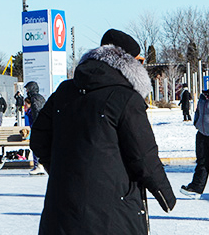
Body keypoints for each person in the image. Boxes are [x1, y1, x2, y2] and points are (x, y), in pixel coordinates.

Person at [30, 29, 176, 234]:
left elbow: (38, 138)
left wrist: (63, 171)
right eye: (139, 61)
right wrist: (165, 195)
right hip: (112, 212)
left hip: (62, 210)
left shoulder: (64, 92)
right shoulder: (125, 99)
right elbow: (143, 155)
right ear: (129, 63)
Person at [181, 88, 209, 198]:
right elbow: (198, 111)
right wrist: (196, 122)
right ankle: (196, 188)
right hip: (202, 134)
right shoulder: (202, 98)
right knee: (202, 162)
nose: (206, 95)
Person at [24, 81, 47, 175]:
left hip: (38, 124)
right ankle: (39, 165)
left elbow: (37, 111)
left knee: (36, 145)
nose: (26, 91)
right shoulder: (39, 97)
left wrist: (37, 124)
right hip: (40, 124)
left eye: (27, 89)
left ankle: (39, 165)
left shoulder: (35, 99)